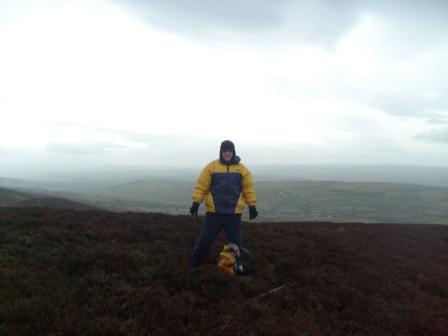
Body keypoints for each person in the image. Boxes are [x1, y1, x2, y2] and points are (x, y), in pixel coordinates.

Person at [189, 140, 258, 269]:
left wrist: (252, 205)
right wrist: (196, 202)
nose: (227, 153)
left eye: (229, 150)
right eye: (224, 150)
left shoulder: (242, 169)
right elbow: (201, 186)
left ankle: (234, 267)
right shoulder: (211, 167)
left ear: (233, 152)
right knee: (205, 241)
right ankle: (193, 266)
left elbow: (248, 189)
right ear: (221, 152)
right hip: (214, 213)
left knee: (235, 244)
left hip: (233, 214)